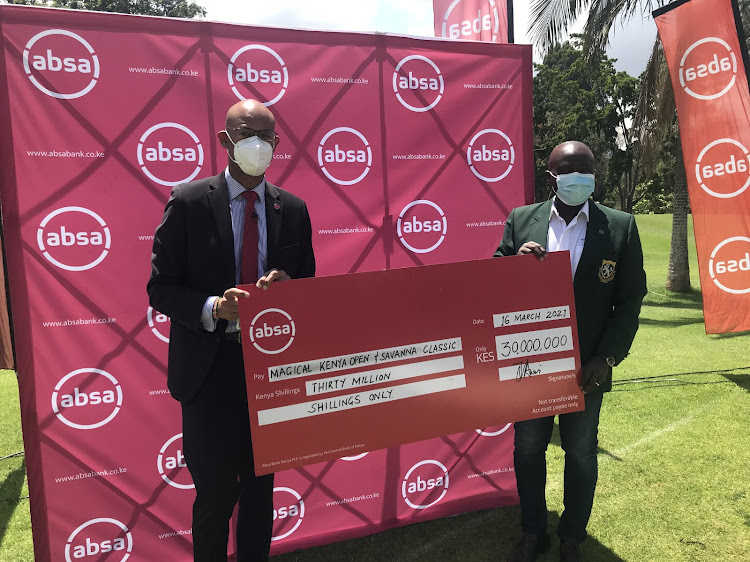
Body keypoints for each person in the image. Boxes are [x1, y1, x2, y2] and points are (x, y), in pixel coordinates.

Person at [147, 99, 315, 561]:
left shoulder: (294, 210)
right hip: (209, 371)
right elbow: (160, 288)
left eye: (267, 137)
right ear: (225, 140)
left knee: (261, 495)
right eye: (247, 134)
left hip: (270, 374)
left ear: (278, 145)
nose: (258, 145)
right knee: (217, 496)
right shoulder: (189, 202)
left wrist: (288, 290)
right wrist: (214, 307)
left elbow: (309, 290)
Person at [495, 141, 646, 562]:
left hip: (587, 368)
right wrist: (513, 263)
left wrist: (608, 358)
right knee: (528, 449)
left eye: (587, 170)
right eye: (570, 170)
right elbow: (492, 280)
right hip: (531, 364)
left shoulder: (620, 226)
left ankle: (572, 536)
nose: (580, 178)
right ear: (552, 178)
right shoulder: (521, 220)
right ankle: (532, 531)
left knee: (580, 451)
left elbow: (630, 300)